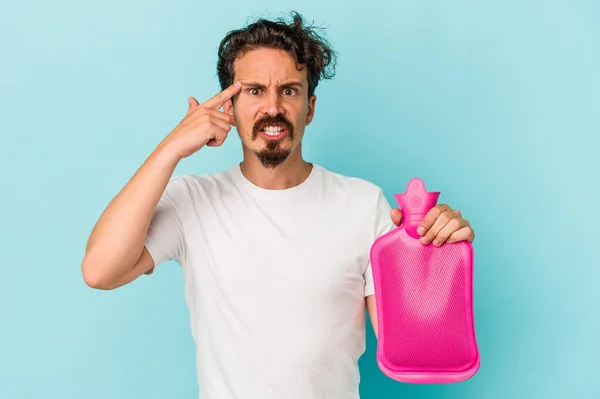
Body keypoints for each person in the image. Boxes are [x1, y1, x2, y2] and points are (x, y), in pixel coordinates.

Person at [81, 11, 475, 399]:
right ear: (229, 108)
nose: (272, 107)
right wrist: (171, 149)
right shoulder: (192, 201)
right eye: (254, 91)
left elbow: (410, 347)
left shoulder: (362, 203)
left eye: (289, 90)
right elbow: (100, 271)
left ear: (310, 107)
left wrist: (437, 257)